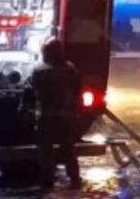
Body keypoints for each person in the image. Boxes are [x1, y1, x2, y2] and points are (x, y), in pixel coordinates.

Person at [30, 38, 83, 189]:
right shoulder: (70, 69)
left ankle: (47, 180)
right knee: (68, 148)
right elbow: (77, 88)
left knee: (46, 149)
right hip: (65, 117)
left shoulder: (39, 70)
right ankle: (74, 178)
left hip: (46, 116)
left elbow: (32, 91)